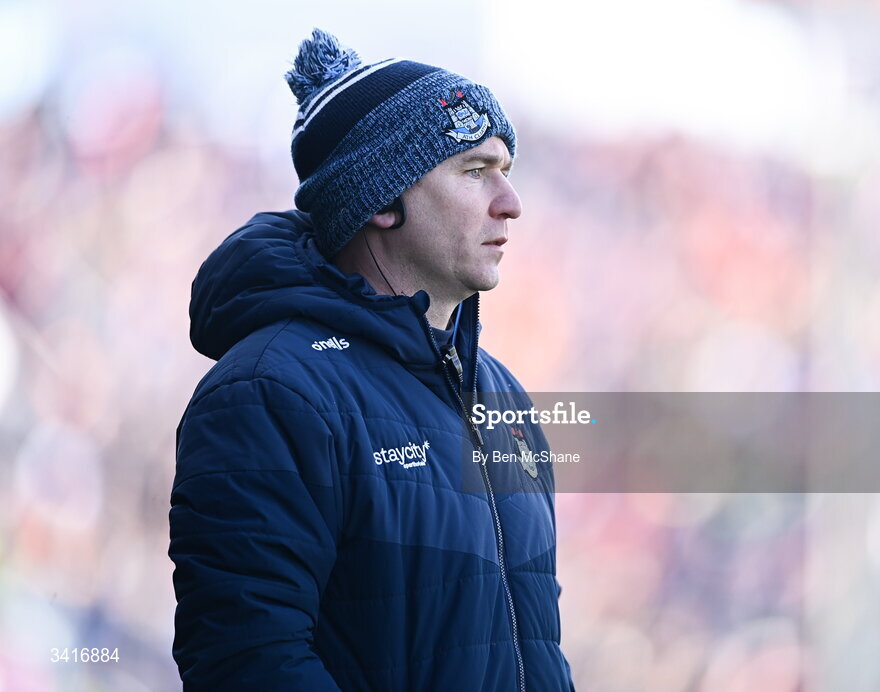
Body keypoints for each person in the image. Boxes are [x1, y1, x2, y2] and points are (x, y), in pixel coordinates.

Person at [168, 29, 575, 691]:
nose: (511, 202)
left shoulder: (504, 399)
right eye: (475, 171)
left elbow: (537, 654)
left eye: (507, 170)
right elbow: (248, 664)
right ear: (382, 199)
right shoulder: (271, 391)